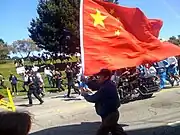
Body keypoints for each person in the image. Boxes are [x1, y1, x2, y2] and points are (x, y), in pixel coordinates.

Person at [81, 69, 127, 135]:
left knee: (102, 132)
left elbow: (94, 98)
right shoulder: (106, 84)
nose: (98, 78)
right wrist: (86, 81)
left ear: (106, 77)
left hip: (110, 115)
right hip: (109, 114)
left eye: (100, 77)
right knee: (117, 132)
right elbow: (95, 85)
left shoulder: (106, 87)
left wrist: (85, 94)